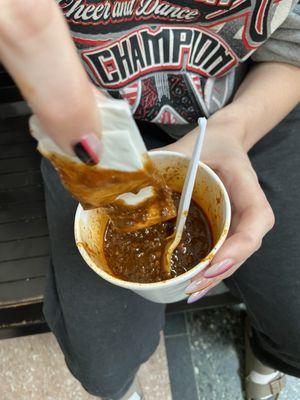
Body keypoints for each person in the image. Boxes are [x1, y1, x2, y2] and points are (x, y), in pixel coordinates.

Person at [0, 0, 299, 399]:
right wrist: (53, 85)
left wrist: (236, 127)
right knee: (102, 366)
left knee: (294, 327)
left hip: (250, 102)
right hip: (94, 129)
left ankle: (271, 354)